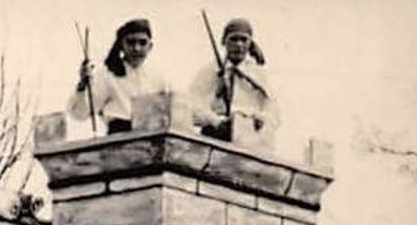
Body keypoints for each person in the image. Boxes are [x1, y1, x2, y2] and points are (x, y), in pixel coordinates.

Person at [187, 17, 279, 147]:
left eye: (244, 39)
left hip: (249, 141)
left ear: (250, 43)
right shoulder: (210, 71)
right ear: (224, 42)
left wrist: (259, 119)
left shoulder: (260, 74)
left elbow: (274, 112)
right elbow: (191, 104)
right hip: (214, 138)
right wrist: (215, 121)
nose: (239, 44)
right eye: (234, 39)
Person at [67, 17, 170, 134]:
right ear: (121, 45)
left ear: (150, 46)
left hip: (152, 139)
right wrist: (82, 85)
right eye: (131, 42)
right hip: (119, 141)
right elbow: (79, 114)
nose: (137, 48)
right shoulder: (107, 75)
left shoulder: (158, 77)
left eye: (142, 42)